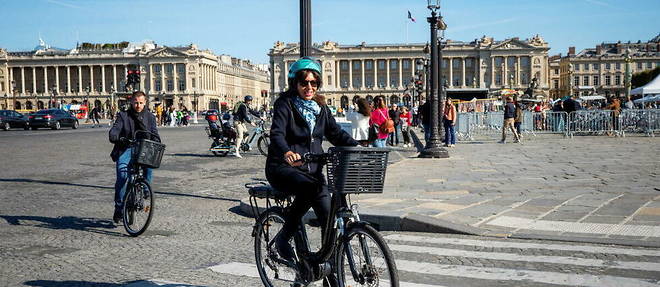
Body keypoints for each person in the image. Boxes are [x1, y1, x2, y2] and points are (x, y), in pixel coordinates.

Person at [266, 57, 358, 264]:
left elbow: (336, 134)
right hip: (283, 168)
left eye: (313, 83)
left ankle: (330, 274)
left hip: (312, 171)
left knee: (329, 220)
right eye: (304, 82)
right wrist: (287, 152)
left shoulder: (321, 108)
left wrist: (358, 147)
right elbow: (277, 134)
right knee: (310, 188)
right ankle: (284, 237)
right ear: (295, 83)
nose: (309, 87)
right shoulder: (285, 104)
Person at [108, 91, 161, 223]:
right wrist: (116, 137)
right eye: (136, 102)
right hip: (126, 148)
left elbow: (155, 134)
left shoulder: (150, 117)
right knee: (122, 175)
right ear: (131, 102)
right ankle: (119, 207)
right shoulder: (123, 116)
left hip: (143, 149)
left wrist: (156, 141)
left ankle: (144, 188)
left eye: (141, 103)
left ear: (145, 103)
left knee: (149, 167)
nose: (138, 105)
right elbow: (115, 130)